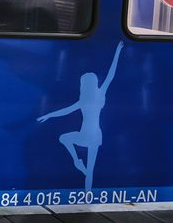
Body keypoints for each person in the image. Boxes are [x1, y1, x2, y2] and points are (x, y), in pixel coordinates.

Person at [38, 42, 123, 190]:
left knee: (64, 138)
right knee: (90, 171)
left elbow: (65, 110)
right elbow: (110, 76)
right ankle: (87, 194)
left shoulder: (83, 100)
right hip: (95, 136)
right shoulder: (100, 96)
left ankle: (77, 162)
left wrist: (49, 115)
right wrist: (117, 52)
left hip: (85, 134)